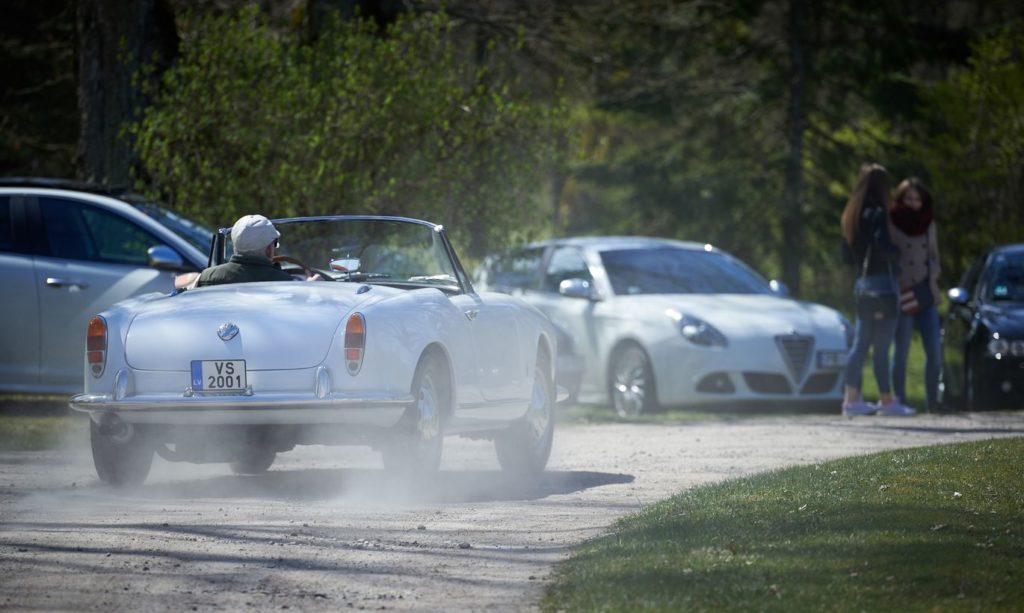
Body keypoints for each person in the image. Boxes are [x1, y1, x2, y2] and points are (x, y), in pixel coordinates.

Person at [840, 164, 914, 417]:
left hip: (862, 285)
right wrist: (896, 252)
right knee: (882, 347)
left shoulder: (851, 214)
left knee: (860, 345)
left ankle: (850, 400)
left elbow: (845, 257)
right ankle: (887, 401)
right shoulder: (879, 213)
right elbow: (882, 244)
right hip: (883, 283)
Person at [889, 178, 941, 412]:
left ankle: (933, 402)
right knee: (901, 352)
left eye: (917, 199)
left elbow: (934, 255)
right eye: (908, 198)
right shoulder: (892, 221)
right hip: (903, 293)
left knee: (935, 352)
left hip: (926, 293)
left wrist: (933, 273)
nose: (913, 203)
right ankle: (899, 401)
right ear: (901, 199)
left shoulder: (928, 222)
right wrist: (900, 281)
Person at [196, 214, 317, 286]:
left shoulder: (206, 278)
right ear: (269, 250)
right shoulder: (286, 283)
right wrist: (311, 288)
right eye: (274, 244)